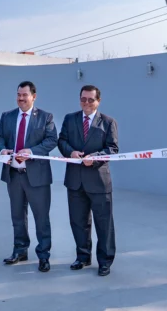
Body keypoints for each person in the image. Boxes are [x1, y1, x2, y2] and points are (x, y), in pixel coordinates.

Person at [0, 81, 57, 273]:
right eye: (19, 94)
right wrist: (2, 149)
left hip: (37, 176)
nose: (21, 98)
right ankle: (20, 250)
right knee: (17, 216)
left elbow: (51, 140)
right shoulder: (7, 116)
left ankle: (43, 255)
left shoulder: (45, 117)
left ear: (34, 96)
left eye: (25, 95)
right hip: (14, 175)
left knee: (41, 217)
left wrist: (31, 151)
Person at [57, 84, 118, 277]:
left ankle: (105, 261)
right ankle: (82, 257)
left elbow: (113, 149)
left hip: (99, 181)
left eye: (91, 100)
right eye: (83, 99)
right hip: (75, 181)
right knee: (78, 222)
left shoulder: (108, 122)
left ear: (98, 101)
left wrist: (96, 157)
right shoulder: (70, 119)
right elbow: (62, 141)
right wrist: (70, 152)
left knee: (103, 223)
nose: (86, 103)